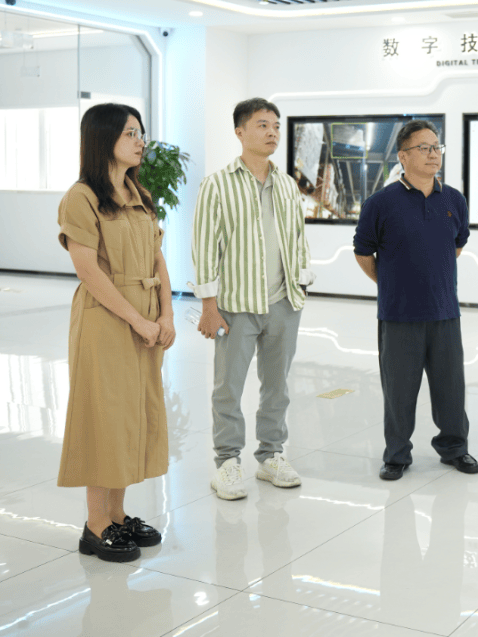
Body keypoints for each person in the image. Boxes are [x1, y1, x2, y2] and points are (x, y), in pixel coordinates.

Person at [57, 103, 175, 562]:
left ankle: (118, 514)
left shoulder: (139, 193)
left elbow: (157, 260)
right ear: (103, 138)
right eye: (130, 133)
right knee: (104, 418)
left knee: (132, 416)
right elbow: (89, 271)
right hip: (106, 319)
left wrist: (166, 315)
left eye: (140, 132)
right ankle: (95, 525)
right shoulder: (81, 197)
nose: (141, 141)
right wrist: (139, 320)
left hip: (145, 316)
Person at [192, 97, 314, 500]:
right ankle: (227, 463)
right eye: (262, 125)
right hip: (235, 305)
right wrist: (208, 306)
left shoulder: (287, 184)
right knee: (228, 388)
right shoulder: (217, 184)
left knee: (277, 387)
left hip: (283, 303)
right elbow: (205, 247)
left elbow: (297, 239)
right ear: (240, 132)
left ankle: (271, 455)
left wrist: (301, 286)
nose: (272, 132)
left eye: (276, 125)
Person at [353, 121, 478, 480]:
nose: (433, 153)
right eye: (423, 147)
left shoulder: (454, 200)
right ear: (403, 156)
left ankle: (455, 448)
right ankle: (396, 455)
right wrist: (390, 283)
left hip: (445, 313)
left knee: (451, 389)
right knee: (399, 392)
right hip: (398, 314)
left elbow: (456, 246)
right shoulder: (381, 203)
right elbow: (362, 252)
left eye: (437, 147)